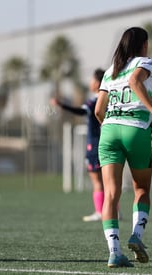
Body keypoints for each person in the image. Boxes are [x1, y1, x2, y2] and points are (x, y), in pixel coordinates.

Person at [94, 26, 152, 268]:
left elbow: (98, 110)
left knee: (111, 194)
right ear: (142, 44)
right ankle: (136, 235)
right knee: (141, 189)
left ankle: (114, 252)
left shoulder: (110, 71)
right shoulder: (145, 62)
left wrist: (111, 125)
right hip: (135, 129)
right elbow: (135, 80)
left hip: (108, 131)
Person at [50, 68, 106, 222]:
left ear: (98, 83)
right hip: (108, 142)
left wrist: (61, 105)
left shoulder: (95, 101)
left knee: (97, 181)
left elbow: (81, 111)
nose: (90, 82)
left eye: (92, 80)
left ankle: (100, 212)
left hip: (95, 144)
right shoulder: (110, 99)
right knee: (109, 180)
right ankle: (114, 211)